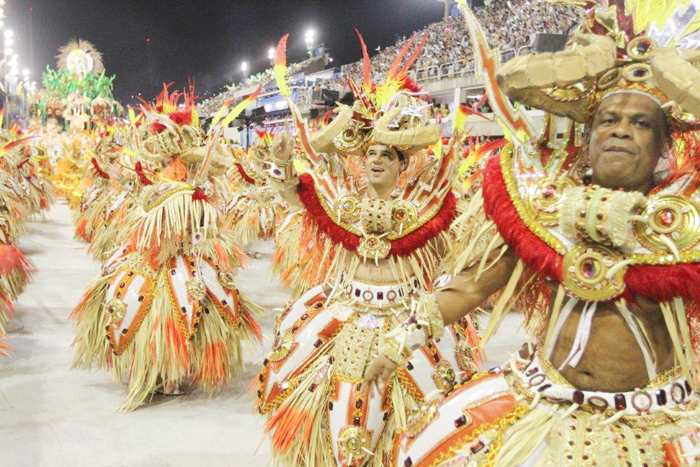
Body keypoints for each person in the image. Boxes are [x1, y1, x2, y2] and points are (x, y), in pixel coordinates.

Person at [385, 1, 700, 465]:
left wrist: (672, 71)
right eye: (608, 120)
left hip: (654, 421)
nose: (620, 132)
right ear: (588, 138)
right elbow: (474, 284)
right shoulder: (545, 210)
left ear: (662, 146)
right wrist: (397, 343)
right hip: (540, 403)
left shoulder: (685, 225)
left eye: (640, 124)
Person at [255, 34, 483, 466]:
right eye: (371, 153)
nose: (376, 160)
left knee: (422, 420)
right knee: (335, 411)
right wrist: (283, 164)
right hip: (347, 310)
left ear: (402, 164)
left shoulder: (424, 206)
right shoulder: (345, 204)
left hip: (408, 320)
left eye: (387, 155)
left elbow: (463, 221)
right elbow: (296, 195)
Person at [70, 87, 263, 411]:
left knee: (188, 301)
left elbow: (216, 168)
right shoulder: (153, 176)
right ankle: (154, 368)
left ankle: (172, 368)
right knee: (139, 300)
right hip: (150, 254)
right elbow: (143, 196)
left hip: (184, 253)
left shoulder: (193, 177)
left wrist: (194, 158)